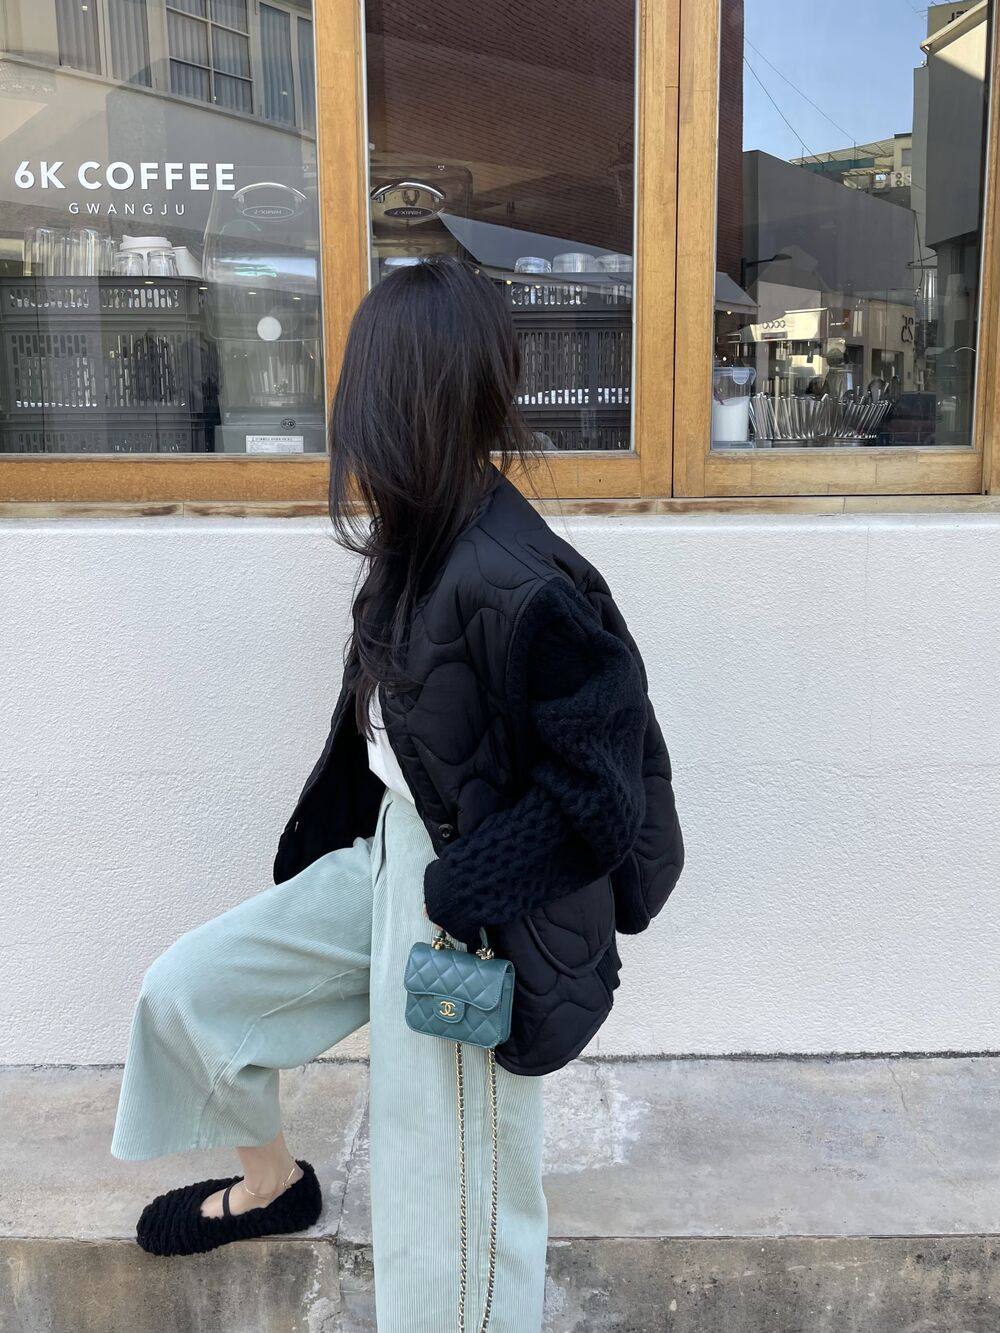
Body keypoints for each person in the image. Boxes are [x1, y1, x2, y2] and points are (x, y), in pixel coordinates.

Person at [110, 257, 683, 1331]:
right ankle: (275, 1187)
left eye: (361, 394)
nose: (350, 426)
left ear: (406, 403)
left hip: (475, 905)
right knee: (190, 994)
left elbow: (603, 806)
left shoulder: (529, 582)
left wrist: (456, 895)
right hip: (391, 861)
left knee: (449, 1221)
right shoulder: (419, 545)